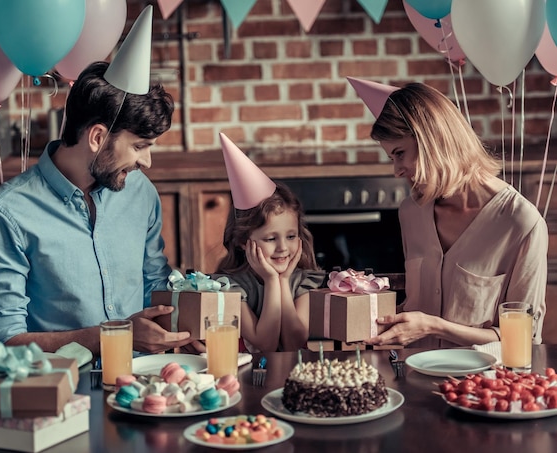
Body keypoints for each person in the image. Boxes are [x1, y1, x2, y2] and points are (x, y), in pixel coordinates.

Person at [0, 7, 196, 355]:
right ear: (97, 137)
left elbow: (156, 286)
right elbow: (5, 340)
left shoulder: (140, 194)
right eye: (139, 146)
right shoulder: (5, 215)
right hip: (61, 395)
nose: (146, 162)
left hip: (144, 383)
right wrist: (114, 335)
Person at [347, 77, 548, 349]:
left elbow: (523, 341)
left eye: (400, 153)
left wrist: (433, 326)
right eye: (391, 158)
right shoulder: (411, 212)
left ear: (434, 141)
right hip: (412, 377)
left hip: (478, 386)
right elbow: (415, 306)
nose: (396, 170)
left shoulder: (522, 223)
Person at [212, 133, 326, 352]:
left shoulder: (304, 281)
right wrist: (272, 281)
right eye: (271, 238)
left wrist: (284, 282)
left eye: (291, 236)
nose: (283, 247)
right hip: (248, 378)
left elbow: (294, 343)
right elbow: (264, 344)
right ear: (244, 241)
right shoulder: (230, 287)